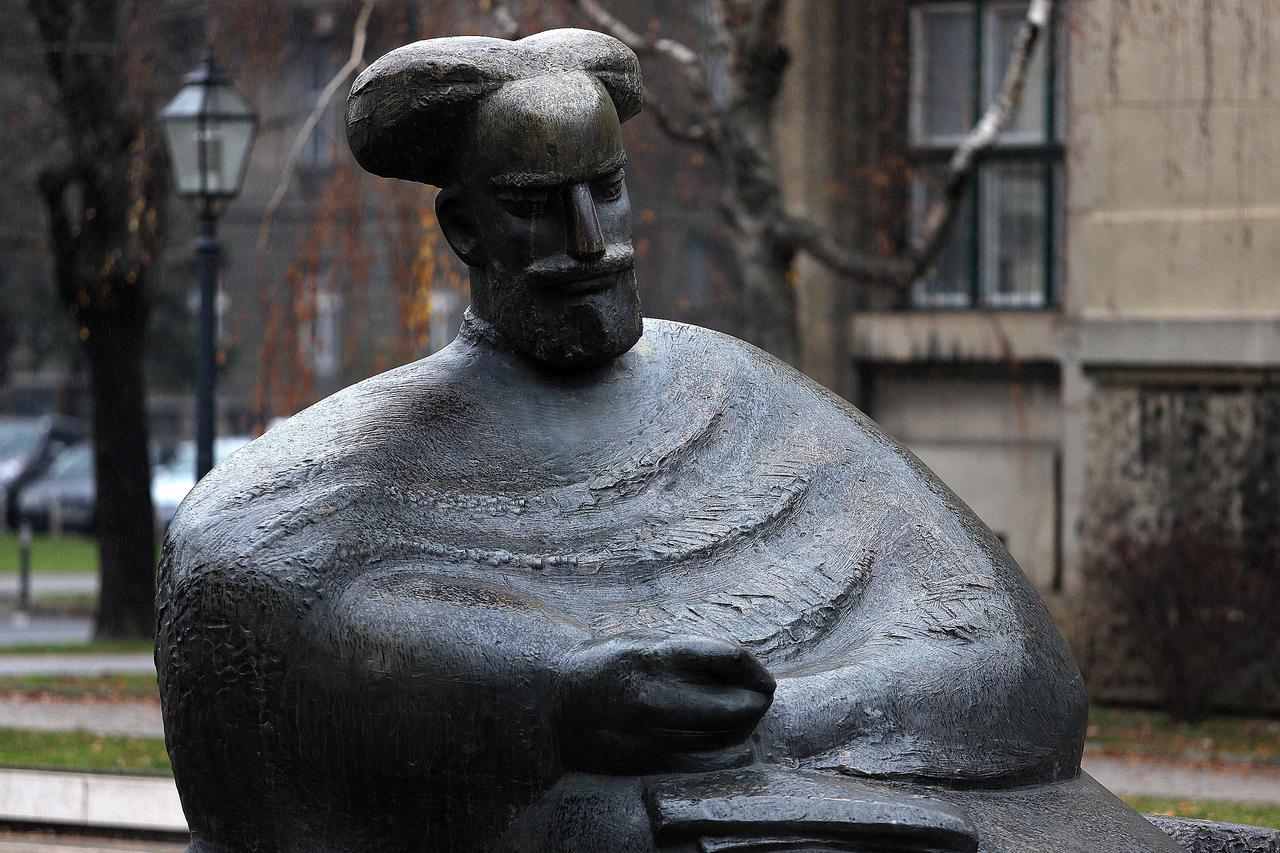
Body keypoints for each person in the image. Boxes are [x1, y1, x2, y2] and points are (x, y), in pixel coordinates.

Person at [157, 30, 1178, 853]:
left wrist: (753, 722)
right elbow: (233, 589)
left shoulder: (736, 394)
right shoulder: (374, 457)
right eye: (535, 207)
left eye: (605, 189)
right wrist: (552, 698)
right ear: (465, 231)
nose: (590, 242)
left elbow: (1020, 668)